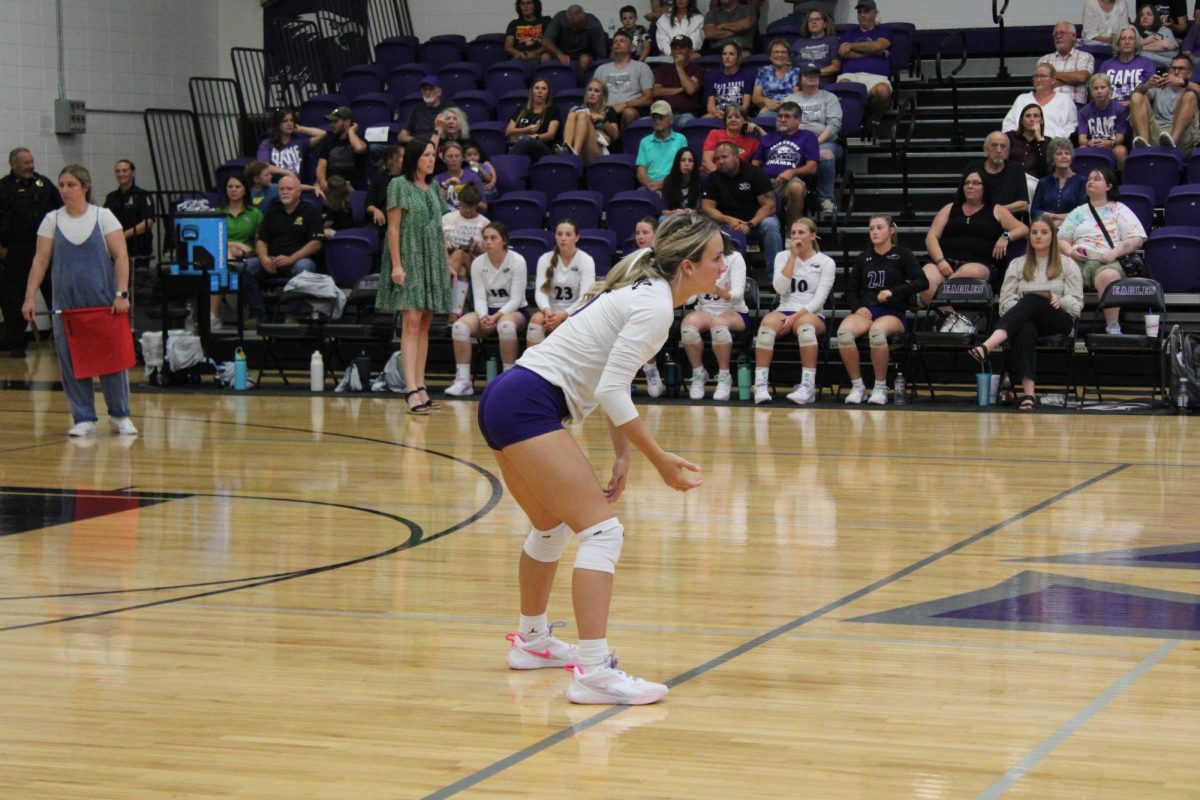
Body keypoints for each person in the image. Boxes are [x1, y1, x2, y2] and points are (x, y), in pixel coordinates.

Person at [482, 214, 717, 706]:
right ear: (690, 266)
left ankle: (532, 641)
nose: (724, 266)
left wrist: (621, 455)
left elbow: (614, 380)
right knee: (602, 532)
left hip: (508, 396)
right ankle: (593, 671)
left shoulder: (646, 282)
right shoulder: (655, 307)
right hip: (528, 403)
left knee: (551, 527)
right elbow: (611, 388)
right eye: (717, 259)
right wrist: (660, 460)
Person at [21, 165, 135, 436]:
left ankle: (120, 415)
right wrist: (29, 298)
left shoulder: (103, 216)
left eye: (70, 184)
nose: (64, 190)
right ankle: (83, 417)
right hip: (67, 306)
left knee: (112, 362)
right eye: (61, 185)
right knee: (72, 362)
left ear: (84, 187)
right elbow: (40, 260)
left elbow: (121, 255)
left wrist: (121, 294)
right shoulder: (52, 220)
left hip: (104, 303)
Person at [968, 216, 1083, 411]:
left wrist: (1059, 300)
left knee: (1032, 300)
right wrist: (1022, 307)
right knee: (1025, 326)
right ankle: (1029, 394)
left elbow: (1077, 305)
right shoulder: (1017, 264)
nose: (1038, 237)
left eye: (1044, 232)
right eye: (1034, 233)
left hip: (1057, 318)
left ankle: (988, 345)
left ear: (1053, 237)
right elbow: (1005, 302)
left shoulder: (1068, 264)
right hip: (1025, 318)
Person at [376, 138, 452, 413]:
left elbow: (439, 229)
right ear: (415, 158)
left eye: (434, 155)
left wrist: (447, 262)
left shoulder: (434, 189)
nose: (432, 159)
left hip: (432, 259)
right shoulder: (398, 185)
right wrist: (397, 265)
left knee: (425, 324)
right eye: (427, 155)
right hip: (409, 256)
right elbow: (393, 229)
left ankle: (421, 385)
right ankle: (409, 388)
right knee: (411, 321)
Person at [837, 214, 927, 405]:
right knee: (844, 333)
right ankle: (858, 387)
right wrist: (858, 307)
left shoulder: (903, 254)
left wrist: (893, 292)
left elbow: (922, 282)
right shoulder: (863, 258)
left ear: (891, 230)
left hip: (893, 313)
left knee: (877, 332)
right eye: (871, 228)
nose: (875, 232)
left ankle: (879, 387)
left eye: (879, 227)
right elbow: (851, 290)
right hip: (867, 311)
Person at [752, 217, 836, 405]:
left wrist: (796, 317)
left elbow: (820, 299)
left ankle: (807, 386)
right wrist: (793, 257)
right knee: (766, 326)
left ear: (813, 236)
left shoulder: (826, 262)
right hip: (785, 309)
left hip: (811, 313)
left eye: (801, 233)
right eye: (793, 233)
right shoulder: (782, 256)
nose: (796, 237)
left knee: (805, 327)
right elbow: (780, 289)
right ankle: (760, 384)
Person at [921, 170, 1029, 310]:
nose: (970, 186)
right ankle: (952, 319)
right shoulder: (950, 208)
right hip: (944, 261)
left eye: (976, 183)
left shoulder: (997, 210)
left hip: (980, 264)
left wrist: (1006, 236)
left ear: (985, 187)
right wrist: (940, 261)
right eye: (967, 183)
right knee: (924, 280)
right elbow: (931, 237)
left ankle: (948, 314)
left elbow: (1023, 228)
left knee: (972, 273)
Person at [1057, 166, 1146, 333]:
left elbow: (1136, 239)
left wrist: (1114, 253)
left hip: (1108, 261)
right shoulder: (1077, 212)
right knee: (1061, 272)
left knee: (1108, 276)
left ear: (1109, 186)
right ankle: (1066, 326)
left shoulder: (1119, 209)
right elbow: (1062, 239)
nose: (1090, 181)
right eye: (1089, 178)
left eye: (1097, 178)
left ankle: (1113, 327)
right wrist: (1070, 252)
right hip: (1078, 260)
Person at [445, 221, 528, 396]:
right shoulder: (478, 263)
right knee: (459, 327)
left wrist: (495, 317)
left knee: (506, 326)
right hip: (487, 311)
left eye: (493, 238)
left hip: (513, 311)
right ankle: (463, 381)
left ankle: (509, 380)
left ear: (504, 241)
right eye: (485, 238)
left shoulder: (517, 261)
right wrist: (483, 317)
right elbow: (480, 297)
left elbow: (516, 299)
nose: (488, 242)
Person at [0, 147, 62, 357]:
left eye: (32, 161)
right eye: (26, 163)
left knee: (54, 293)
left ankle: (62, 339)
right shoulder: (4, 187)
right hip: (15, 249)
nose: (31, 166)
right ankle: (16, 344)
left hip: (43, 246)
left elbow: (60, 209)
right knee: (13, 298)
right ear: (14, 165)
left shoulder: (43, 184)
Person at [247, 174, 322, 324]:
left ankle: (292, 316)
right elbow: (261, 240)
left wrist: (291, 259)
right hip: (272, 261)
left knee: (304, 266)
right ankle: (258, 316)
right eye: (281, 189)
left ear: (299, 191)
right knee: (245, 267)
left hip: (297, 260)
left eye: (289, 188)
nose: (284, 192)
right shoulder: (273, 211)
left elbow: (316, 243)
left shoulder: (310, 210)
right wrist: (264, 258)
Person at [682, 234, 747, 401]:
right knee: (688, 327)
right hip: (706, 310)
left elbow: (738, 294)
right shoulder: (698, 259)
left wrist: (720, 291)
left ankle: (724, 376)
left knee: (718, 325)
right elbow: (690, 299)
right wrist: (683, 289)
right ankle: (698, 373)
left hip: (734, 311)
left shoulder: (735, 258)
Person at [701, 141, 783, 269]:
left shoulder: (755, 173)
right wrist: (728, 220)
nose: (720, 161)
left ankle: (776, 279)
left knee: (771, 224)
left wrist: (750, 224)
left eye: (724, 157)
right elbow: (707, 207)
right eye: (717, 158)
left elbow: (770, 206)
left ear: (736, 157)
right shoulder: (712, 179)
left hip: (755, 224)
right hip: (726, 225)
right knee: (704, 225)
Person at [784, 63, 843, 215]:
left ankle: (826, 199)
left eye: (815, 75)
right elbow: (784, 124)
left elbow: (834, 125)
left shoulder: (829, 97)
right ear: (800, 79)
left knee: (826, 154)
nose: (812, 77)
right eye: (808, 74)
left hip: (824, 142)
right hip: (795, 142)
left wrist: (814, 144)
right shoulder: (791, 99)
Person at [528, 218, 596, 347]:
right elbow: (540, 291)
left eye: (568, 234)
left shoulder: (586, 260)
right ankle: (530, 365)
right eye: (559, 234)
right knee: (536, 321)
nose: (563, 238)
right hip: (551, 312)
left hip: (575, 312)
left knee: (572, 325)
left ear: (577, 238)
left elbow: (585, 298)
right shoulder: (545, 259)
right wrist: (548, 312)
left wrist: (563, 315)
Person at [753, 101, 820, 226]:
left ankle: (791, 234)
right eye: (780, 116)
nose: (782, 119)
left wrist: (793, 171)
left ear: (798, 120)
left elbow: (812, 167)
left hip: (789, 182)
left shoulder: (807, 136)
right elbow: (755, 165)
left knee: (796, 187)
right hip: (765, 182)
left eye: (787, 116)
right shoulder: (768, 138)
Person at [213, 173, 262, 331]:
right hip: (221, 254)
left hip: (245, 257)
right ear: (226, 191)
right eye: (230, 187)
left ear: (244, 190)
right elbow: (213, 239)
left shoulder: (254, 214)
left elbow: (260, 244)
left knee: (224, 264)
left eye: (237, 186)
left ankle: (213, 315)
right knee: (222, 257)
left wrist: (244, 251)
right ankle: (214, 313)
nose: (233, 190)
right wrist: (234, 244)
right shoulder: (217, 213)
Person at [1127, 54, 1200, 152]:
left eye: (1181, 69)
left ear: (1190, 73)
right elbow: (1135, 98)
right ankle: (1144, 148)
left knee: (1190, 95)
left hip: (1181, 138)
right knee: (1137, 96)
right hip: (1156, 133)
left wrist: (1183, 82)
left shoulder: (1192, 88)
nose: (1176, 72)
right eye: (1173, 68)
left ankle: (1172, 145)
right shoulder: (1160, 86)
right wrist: (1148, 85)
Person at [630, 216, 668, 397]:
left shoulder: (664, 258)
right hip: (634, 307)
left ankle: (650, 369)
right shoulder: (631, 259)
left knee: (646, 320)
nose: (640, 236)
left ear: (656, 234)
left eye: (645, 232)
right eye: (637, 233)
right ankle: (623, 376)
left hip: (661, 308)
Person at [837, 0, 893, 120]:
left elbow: (878, 46)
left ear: (875, 13)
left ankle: (874, 118)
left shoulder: (884, 32)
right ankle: (854, 121)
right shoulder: (849, 34)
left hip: (877, 77)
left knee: (883, 91)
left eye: (866, 12)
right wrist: (872, 51)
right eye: (859, 12)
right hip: (850, 75)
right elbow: (844, 53)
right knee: (843, 87)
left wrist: (851, 46)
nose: (862, 15)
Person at [442, 184, 489, 321]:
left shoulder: (485, 223)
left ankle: (443, 293)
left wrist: (476, 248)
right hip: (448, 262)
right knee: (460, 269)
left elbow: (490, 256)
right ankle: (453, 317)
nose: (468, 210)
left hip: (475, 264)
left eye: (472, 206)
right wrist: (445, 245)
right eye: (465, 206)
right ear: (460, 202)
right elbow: (436, 245)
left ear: (477, 205)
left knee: (460, 254)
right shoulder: (447, 219)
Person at [593, 31, 656, 131]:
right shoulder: (601, 69)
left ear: (631, 47)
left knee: (629, 113)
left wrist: (624, 105)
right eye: (615, 42)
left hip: (631, 109)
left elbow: (648, 98)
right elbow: (593, 93)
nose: (617, 43)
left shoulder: (642, 67)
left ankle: (624, 144)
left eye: (622, 41)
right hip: (605, 110)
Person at [1001, 63, 1079, 140]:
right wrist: (1019, 137)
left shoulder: (1065, 99)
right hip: (1024, 145)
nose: (1038, 80)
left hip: (1054, 145)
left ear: (1053, 80)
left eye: (1042, 76)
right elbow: (1008, 124)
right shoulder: (1022, 99)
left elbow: (1071, 125)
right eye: (1036, 76)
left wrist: (1054, 139)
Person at [966, 132, 1031, 216]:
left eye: (1003, 146)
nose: (999, 150)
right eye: (994, 145)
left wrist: (995, 212)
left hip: (1007, 220)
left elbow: (1023, 204)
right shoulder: (973, 168)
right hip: (977, 218)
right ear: (986, 150)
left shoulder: (1016, 169)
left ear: (1007, 152)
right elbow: (960, 199)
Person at [102, 159, 155, 264]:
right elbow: (103, 219)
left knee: (137, 279)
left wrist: (124, 234)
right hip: (116, 248)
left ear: (133, 173)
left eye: (124, 170)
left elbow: (148, 222)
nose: (121, 174)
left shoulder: (142, 195)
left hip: (139, 247)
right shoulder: (111, 197)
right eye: (118, 171)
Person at [256, 106, 326, 183]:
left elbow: (322, 134)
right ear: (278, 124)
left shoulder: (300, 143)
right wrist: (286, 172)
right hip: (276, 186)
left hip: (295, 186)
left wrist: (300, 129)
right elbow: (263, 166)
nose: (289, 124)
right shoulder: (267, 144)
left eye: (291, 120)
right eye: (285, 121)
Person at [1076, 73, 1131, 170]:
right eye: (1095, 88)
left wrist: (1109, 143)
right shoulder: (1083, 112)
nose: (1099, 91)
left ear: (1110, 89)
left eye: (1103, 87)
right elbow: (1082, 140)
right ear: (1091, 92)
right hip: (1093, 144)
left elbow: (1120, 137)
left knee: (1121, 151)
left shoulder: (1120, 110)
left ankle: (1122, 182)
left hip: (1112, 144)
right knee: (1081, 150)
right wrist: (1089, 143)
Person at [562, 79, 621, 163]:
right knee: (572, 114)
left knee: (583, 116)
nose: (592, 94)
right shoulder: (577, 110)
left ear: (603, 95)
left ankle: (574, 156)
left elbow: (616, 136)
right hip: (582, 150)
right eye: (590, 90)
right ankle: (567, 149)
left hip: (600, 151)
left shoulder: (608, 111)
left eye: (596, 91)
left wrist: (603, 120)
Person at [1032, 138, 1088, 225]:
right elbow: (1034, 212)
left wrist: (1057, 219)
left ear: (1071, 157)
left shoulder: (1081, 181)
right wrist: (1053, 219)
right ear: (1052, 158)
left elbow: (1082, 212)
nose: (1064, 156)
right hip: (1047, 226)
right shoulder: (1043, 182)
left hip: (1073, 226)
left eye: (1067, 153)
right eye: (1059, 154)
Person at [1038, 21, 1095, 105]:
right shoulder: (1044, 60)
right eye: (1055, 34)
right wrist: (1071, 79)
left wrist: (1051, 75)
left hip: (1074, 104)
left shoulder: (1085, 57)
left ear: (1073, 36)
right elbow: (1041, 84)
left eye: (1062, 33)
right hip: (1049, 105)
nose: (1058, 36)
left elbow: (1081, 77)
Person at [636, 101, 688, 192]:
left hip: (673, 185)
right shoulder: (645, 142)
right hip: (650, 186)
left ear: (671, 119)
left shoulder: (681, 140)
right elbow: (641, 173)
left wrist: (662, 185)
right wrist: (652, 186)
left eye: (661, 117)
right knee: (639, 195)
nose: (657, 121)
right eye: (654, 118)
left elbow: (684, 169)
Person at [505, 78, 562, 162]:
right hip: (520, 145)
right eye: (537, 88)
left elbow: (551, 134)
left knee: (527, 140)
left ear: (548, 93)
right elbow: (508, 131)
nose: (540, 91)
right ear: (532, 91)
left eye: (543, 89)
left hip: (543, 149)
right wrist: (526, 129)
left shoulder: (553, 110)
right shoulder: (521, 110)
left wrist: (535, 137)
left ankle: (507, 164)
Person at [653, 35, 705, 124]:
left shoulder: (698, 69)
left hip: (686, 114)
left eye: (682, 48)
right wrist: (681, 89)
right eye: (674, 48)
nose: (677, 51)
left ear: (690, 50)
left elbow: (690, 90)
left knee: (686, 121)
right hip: (662, 113)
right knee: (643, 122)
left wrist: (679, 67)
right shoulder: (664, 69)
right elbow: (656, 92)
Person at [315, 106, 368, 193]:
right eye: (331, 122)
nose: (331, 125)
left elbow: (359, 149)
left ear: (347, 122)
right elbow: (321, 166)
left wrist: (351, 131)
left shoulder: (360, 141)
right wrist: (322, 182)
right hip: (331, 189)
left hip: (352, 191)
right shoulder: (329, 143)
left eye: (335, 121)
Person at [1100, 26, 1158, 102]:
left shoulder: (1147, 63)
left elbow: (1152, 95)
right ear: (1117, 42)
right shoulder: (1106, 65)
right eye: (1123, 39)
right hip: (1111, 108)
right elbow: (1098, 90)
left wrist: (1132, 102)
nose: (1127, 42)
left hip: (1138, 106)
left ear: (1136, 42)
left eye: (1131, 38)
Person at [1005, 103, 1050, 200]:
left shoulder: (1047, 142)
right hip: (1011, 179)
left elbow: (1046, 169)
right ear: (1021, 120)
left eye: (1036, 116)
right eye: (1028, 116)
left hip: (1034, 182)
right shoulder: (1010, 137)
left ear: (1041, 121)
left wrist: (1039, 139)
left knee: (1027, 185)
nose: (1032, 119)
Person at [542, 4, 607, 71]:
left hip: (584, 54)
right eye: (573, 25)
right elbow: (545, 41)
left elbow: (601, 53)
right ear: (567, 19)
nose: (575, 29)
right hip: (561, 53)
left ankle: (582, 80)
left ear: (584, 18)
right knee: (545, 57)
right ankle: (544, 80)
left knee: (584, 59)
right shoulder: (559, 18)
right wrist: (559, 54)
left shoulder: (594, 24)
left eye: (578, 26)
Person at [701, 104, 764, 172]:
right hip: (711, 175)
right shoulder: (715, 134)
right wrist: (720, 178)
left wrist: (759, 129)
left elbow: (770, 145)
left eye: (737, 117)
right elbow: (706, 162)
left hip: (737, 179)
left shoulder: (752, 142)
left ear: (745, 121)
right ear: (725, 121)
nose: (733, 120)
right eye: (729, 117)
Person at [752, 38, 802, 117]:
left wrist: (778, 106)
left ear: (788, 56)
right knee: (764, 116)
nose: (780, 55)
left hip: (789, 110)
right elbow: (755, 97)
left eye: (783, 52)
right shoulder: (763, 71)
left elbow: (797, 97)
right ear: (770, 57)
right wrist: (766, 101)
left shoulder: (795, 72)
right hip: (768, 108)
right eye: (776, 52)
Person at [789, 8, 842, 82]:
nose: (814, 22)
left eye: (817, 19)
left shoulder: (832, 40)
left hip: (821, 81)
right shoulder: (798, 43)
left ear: (825, 24)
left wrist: (814, 73)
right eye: (810, 20)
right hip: (799, 81)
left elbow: (835, 67)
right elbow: (788, 64)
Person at [704, 43, 754, 118]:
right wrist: (717, 113)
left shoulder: (747, 76)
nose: (727, 57)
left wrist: (730, 115)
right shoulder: (712, 76)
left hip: (738, 114)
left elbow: (745, 106)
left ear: (738, 58)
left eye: (731, 54)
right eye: (724, 54)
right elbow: (710, 106)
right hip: (718, 114)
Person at [434, 141, 486, 211]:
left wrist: (468, 194)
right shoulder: (437, 179)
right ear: (444, 159)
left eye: (457, 156)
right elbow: (433, 207)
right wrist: (445, 187)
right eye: (450, 156)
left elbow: (484, 207)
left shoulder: (473, 177)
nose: (454, 159)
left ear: (463, 158)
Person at [366, 144, 403, 234]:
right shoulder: (379, 179)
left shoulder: (409, 179)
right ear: (391, 160)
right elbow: (368, 204)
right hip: (383, 222)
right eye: (402, 157)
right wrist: (375, 210)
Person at [398, 75, 444, 144]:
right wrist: (419, 141)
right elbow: (402, 136)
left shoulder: (447, 109)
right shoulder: (416, 109)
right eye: (424, 89)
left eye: (431, 89)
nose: (427, 93)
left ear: (439, 92)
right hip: (416, 145)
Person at [1134, 2, 1180, 68]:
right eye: (1141, 15)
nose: (1145, 17)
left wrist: (1140, 47)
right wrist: (1146, 41)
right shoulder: (1134, 32)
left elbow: (1166, 45)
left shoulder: (1164, 29)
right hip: (1157, 61)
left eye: (1149, 14)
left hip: (1168, 58)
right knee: (1141, 55)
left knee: (1141, 54)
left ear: (1155, 17)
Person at [661, 147, 703, 215]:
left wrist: (695, 212)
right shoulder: (668, 180)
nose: (687, 164)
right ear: (677, 162)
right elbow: (664, 210)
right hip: (675, 217)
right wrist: (673, 212)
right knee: (662, 219)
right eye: (683, 160)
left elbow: (707, 209)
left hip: (695, 217)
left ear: (694, 164)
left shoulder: (702, 180)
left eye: (690, 161)